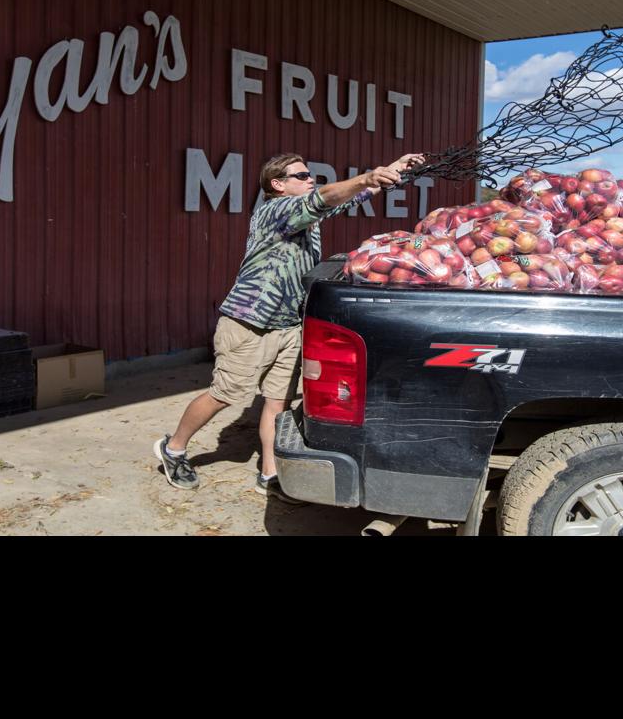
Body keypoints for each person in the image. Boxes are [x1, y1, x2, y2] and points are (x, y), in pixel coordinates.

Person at [154, 152, 424, 498]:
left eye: (309, 174)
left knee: (277, 401)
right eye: (300, 175)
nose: (310, 178)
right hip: (249, 323)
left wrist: (395, 168)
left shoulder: (307, 218)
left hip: (288, 324)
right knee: (225, 394)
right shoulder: (274, 211)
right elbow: (324, 197)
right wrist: (367, 177)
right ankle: (174, 448)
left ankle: (269, 474)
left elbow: (342, 200)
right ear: (278, 185)